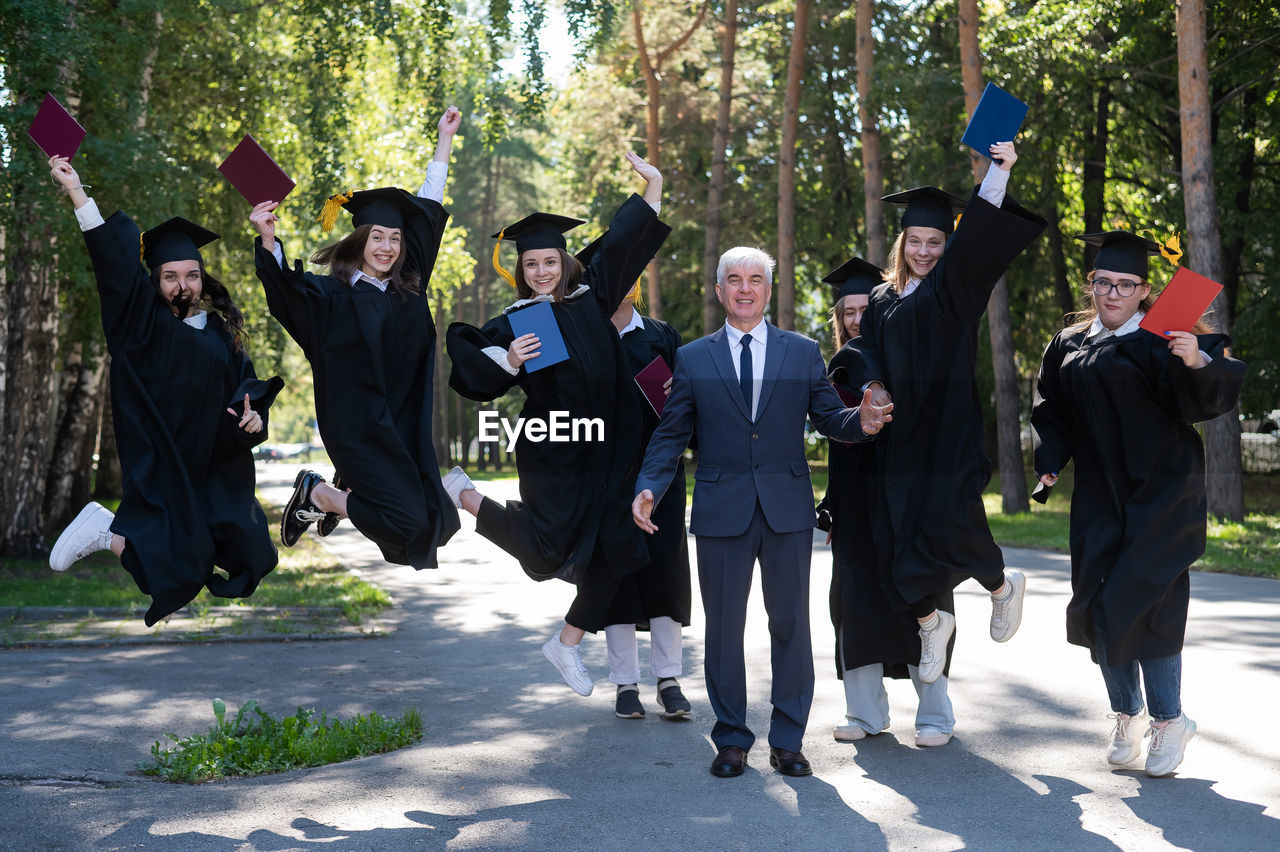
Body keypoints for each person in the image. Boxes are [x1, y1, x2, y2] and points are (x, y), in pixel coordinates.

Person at [633, 246, 894, 779]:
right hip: (720, 508)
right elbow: (672, 432)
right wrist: (649, 486)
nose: (745, 288)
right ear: (719, 290)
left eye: (756, 279)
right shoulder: (693, 357)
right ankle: (730, 739)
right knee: (725, 630)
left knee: (791, 624)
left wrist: (862, 423)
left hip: (786, 509)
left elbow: (829, 417)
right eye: (734, 279)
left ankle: (788, 740)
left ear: (769, 290)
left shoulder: (802, 352)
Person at [442, 152, 674, 704]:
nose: (541, 272)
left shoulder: (594, 297)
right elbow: (466, 363)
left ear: (564, 260)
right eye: (531, 265)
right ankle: (466, 496)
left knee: (624, 550)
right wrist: (510, 361)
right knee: (547, 551)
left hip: (610, 448)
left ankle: (567, 643)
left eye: (549, 261)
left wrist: (654, 186)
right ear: (520, 269)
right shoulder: (521, 319)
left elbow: (627, 243)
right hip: (556, 448)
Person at [1031, 230, 1246, 777]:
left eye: (1126, 284)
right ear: (1092, 283)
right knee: (1097, 607)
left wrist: (1197, 360)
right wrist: (1052, 459)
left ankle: (1170, 722)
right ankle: (1127, 715)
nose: (1112, 292)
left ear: (1145, 288)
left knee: (1145, 604)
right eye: (1104, 281)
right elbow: (1053, 410)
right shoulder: (1070, 343)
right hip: (1102, 496)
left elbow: (1204, 401)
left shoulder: (1163, 337)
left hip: (1163, 493)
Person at [830, 141, 1043, 688]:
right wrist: (873, 385)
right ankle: (931, 621)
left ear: (947, 245)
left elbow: (976, 244)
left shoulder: (954, 289)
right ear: (902, 243)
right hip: (900, 433)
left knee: (951, 521)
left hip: (946, 429)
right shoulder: (879, 298)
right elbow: (861, 349)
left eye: (935, 241)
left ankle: (1001, 585)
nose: (924, 251)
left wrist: (996, 175)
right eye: (916, 241)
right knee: (895, 535)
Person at [46, 155, 283, 626]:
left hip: (214, 465)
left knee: (253, 551)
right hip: (163, 459)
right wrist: (78, 193)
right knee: (179, 567)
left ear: (203, 278)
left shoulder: (221, 334)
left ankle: (113, 532)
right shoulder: (141, 325)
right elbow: (114, 265)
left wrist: (254, 420)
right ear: (155, 281)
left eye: (191, 275)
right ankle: (105, 532)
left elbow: (246, 392)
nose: (183, 285)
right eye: (170, 276)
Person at [248, 106, 462, 571]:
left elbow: (426, 211)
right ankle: (321, 493)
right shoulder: (330, 297)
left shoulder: (410, 290)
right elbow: (285, 291)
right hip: (358, 429)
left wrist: (443, 141)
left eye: (395, 239)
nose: (387, 247)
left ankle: (335, 493)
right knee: (410, 523)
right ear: (359, 239)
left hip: (401, 427)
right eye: (377, 237)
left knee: (435, 523)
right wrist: (268, 240)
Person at [816, 256, 956, 748]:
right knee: (855, 603)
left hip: (909, 499)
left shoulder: (910, 363)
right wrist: (831, 505)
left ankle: (935, 713)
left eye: (863, 309)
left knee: (922, 593)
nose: (856, 318)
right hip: (855, 502)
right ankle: (864, 713)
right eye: (847, 312)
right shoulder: (834, 369)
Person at [605, 284, 692, 720]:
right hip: (606, 476)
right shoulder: (588, 333)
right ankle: (625, 683)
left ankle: (669, 679)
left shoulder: (661, 334)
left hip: (663, 474)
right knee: (616, 575)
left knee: (665, 571)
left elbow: (684, 406)